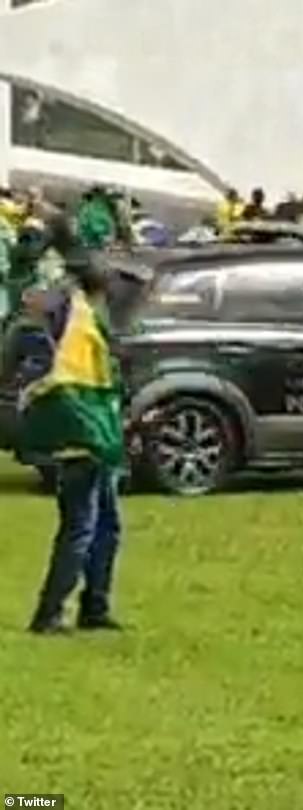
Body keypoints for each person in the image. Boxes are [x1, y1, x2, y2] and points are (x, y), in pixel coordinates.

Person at [19, 250, 126, 634]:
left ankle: (94, 606)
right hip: (85, 436)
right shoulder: (78, 319)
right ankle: (49, 612)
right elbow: (70, 381)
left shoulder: (86, 317)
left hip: (97, 432)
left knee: (106, 526)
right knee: (81, 526)